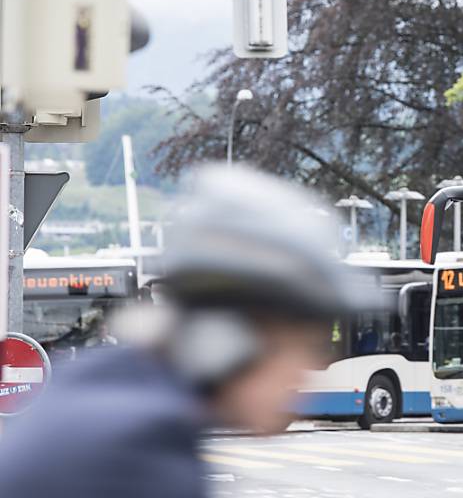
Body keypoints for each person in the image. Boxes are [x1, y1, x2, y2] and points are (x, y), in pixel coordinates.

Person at [0, 165, 356, 498]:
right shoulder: (144, 454)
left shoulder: (100, 384)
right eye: (302, 347)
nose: (303, 375)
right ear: (231, 340)